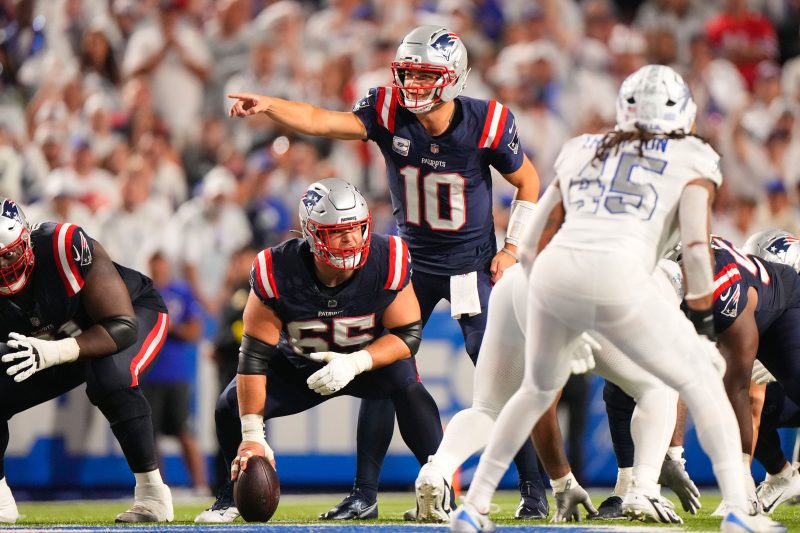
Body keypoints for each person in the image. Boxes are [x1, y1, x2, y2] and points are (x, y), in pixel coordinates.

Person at [448, 65, 786, 533]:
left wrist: (554, 309)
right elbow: (695, 248)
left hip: (550, 272)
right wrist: (703, 326)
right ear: (682, 112)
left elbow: (530, 244)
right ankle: (736, 512)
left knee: (533, 391)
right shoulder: (693, 156)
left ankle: (474, 506)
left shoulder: (584, 147)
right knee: (699, 382)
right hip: (619, 274)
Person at [227, 25, 546, 520]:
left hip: (470, 265)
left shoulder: (487, 121)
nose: (412, 84)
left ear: (454, 77)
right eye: (408, 73)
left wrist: (512, 248)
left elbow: (528, 181)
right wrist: (271, 105)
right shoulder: (387, 109)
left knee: (496, 375)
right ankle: (365, 494)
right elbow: (322, 120)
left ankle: (534, 489)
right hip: (411, 264)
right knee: (380, 369)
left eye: (425, 74)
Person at [195, 178, 445, 523]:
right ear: (311, 233)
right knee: (228, 405)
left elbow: (408, 335)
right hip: (300, 366)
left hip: (364, 362)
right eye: (337, 232)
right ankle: (229, 497)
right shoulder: (276, 269)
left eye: (356, 228)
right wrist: (252, 436)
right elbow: (253, 358)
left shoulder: (388, 257)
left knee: (407, 386)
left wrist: (357, 362)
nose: (351, 239)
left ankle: (437, 489)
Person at [415, 259, 690, 525]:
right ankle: (644, 489)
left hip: (515, 282)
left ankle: (437, 470)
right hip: (575, 294)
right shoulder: (655, 286)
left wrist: (563, 483)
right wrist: (671, 458)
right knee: (658, 385)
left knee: (488, 408)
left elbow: (539, 403)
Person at [602, 229, 800, 517]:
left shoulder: (721, 285)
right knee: (625, 381)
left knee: (755, 387)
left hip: (778, 304)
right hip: (720, 301)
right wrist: (674, 457)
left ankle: (747, 484)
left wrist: (739, 481)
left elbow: (737, 387)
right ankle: (630, 486)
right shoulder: (645, 274)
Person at [0, 199, 172, 523]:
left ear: (26, 241)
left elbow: (122, 326)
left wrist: (53, 352)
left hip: (128, 315)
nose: (3, 267)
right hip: (57, 340)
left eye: (9, 254)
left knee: (109, 376)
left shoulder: (62, 246)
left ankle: (153, 494)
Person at [140, 251, 207, 495]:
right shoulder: (142, 294)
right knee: (150, 437)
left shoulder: (181, 292)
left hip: (175, 375)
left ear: (167, 267)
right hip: (148, 374)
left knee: (184, 431)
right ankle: (158, 490)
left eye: (161, 267)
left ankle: (200, 485)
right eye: (155, 268)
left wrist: (167, 326)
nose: (159, 272)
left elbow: (195, 331)